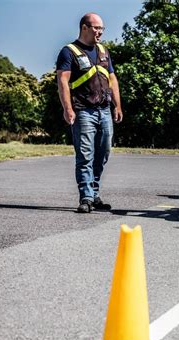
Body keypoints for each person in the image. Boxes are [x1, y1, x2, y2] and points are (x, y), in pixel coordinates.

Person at [56, 13, 123, 213]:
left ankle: (94, 193)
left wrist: (117, 106)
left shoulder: (103, 51)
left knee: (104, 153)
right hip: (83, 111)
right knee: (85, 155)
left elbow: (113, 80)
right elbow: (63, 82)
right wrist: (67, 108)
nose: (100, 32)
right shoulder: (69, 52)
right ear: (84, 28)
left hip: (104, 109)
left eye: (102, 28)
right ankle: (86, 198)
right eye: (96, 28)